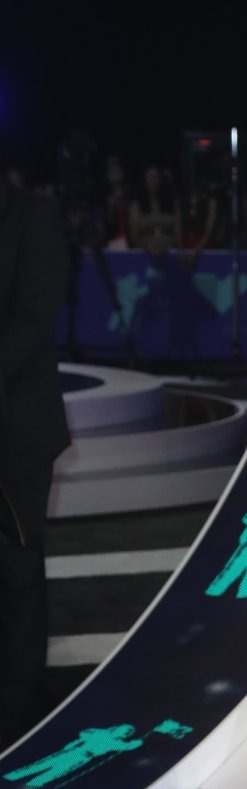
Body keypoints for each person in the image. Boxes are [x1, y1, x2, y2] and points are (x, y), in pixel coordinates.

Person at [0, 177, 70, 752]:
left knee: (16, 567)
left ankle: (18, 715)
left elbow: (34, 318)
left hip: (16, 429)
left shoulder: (33, 215)